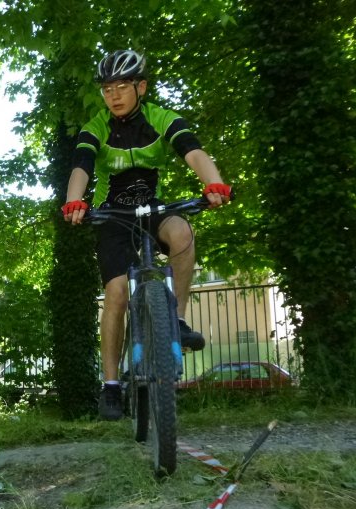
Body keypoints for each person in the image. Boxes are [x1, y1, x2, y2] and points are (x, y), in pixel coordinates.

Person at [62, 49, 231, 421]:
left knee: (182, 231)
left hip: (151, 208)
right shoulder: (97, 127)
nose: (114, 96)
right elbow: (81, 166)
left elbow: (193, 152)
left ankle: (177, 320)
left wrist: (214, 183)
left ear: (141, 86)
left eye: (122, 86)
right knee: (117, 292)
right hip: (111, 214)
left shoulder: (161, 118)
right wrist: (75, 201)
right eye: (107, 89)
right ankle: (109, 385)